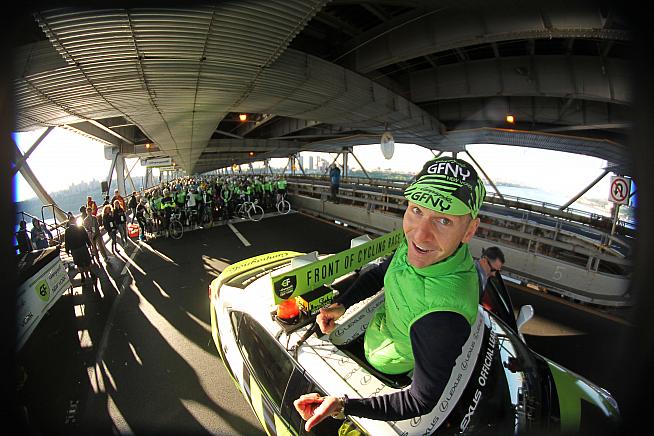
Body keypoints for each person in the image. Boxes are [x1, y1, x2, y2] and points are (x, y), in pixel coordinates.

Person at [294, 157, 486, 431]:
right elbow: (384, 271)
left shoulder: (443, 318)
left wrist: (344, 405)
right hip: (382, 333)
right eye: (417, 210)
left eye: (443, 220)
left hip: (390, 364)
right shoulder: (426, 250)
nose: (420, 235)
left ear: (470, 230)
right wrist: (342, 304)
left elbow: (420, 400)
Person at [64, 212, 93, 283]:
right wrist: (89, 244)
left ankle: (83, 275)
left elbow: (66, 241)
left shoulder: (67, 231)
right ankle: (91, 273)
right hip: (82, 247)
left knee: (79, 263)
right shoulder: (81, 227)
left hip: (74, 249)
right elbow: (86, 237)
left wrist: (67, 250)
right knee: (87, 261)